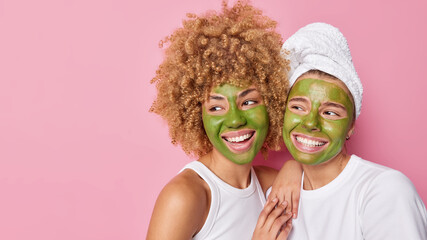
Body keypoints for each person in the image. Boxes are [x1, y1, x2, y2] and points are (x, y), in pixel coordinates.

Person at [147, 1, 302, 239]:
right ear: (197, 116)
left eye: (248, 102)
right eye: (217, 107)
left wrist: (295, 166)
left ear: (271, 104)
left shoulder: (269, 184)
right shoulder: (186, 195)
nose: (235, 120)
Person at [272, 22, 427, 239]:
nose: (310, 123)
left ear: (351, 126)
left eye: (330, 112)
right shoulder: (277, 198)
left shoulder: (383, 191)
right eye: (298, 107)